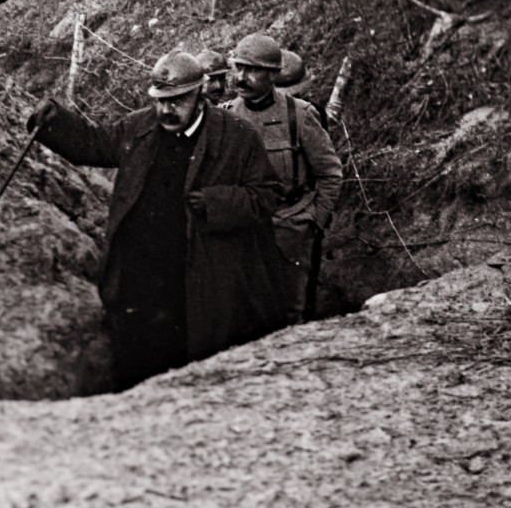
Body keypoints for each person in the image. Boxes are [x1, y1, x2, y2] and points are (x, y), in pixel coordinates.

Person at [27, 50, 287, 391]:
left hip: (198, 276)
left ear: (200, 92)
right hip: (141, 279)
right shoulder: (139, 127)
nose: (166, 110)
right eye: (160, 100)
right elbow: (94, 144)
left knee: (193, 368)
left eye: (177, 100)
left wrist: (216, 202)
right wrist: (57, 122)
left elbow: (267, 195)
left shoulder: (236, 137)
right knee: (137, 367)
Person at [223, 33, 343, 323]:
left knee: (292, 311)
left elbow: (330, 172)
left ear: (274, 74)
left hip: (291, 229)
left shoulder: (298, 115)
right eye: (239, 68)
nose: (242, 77)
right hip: (245, 230)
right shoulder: (225, 116)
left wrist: (314, 218)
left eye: (253, 70)